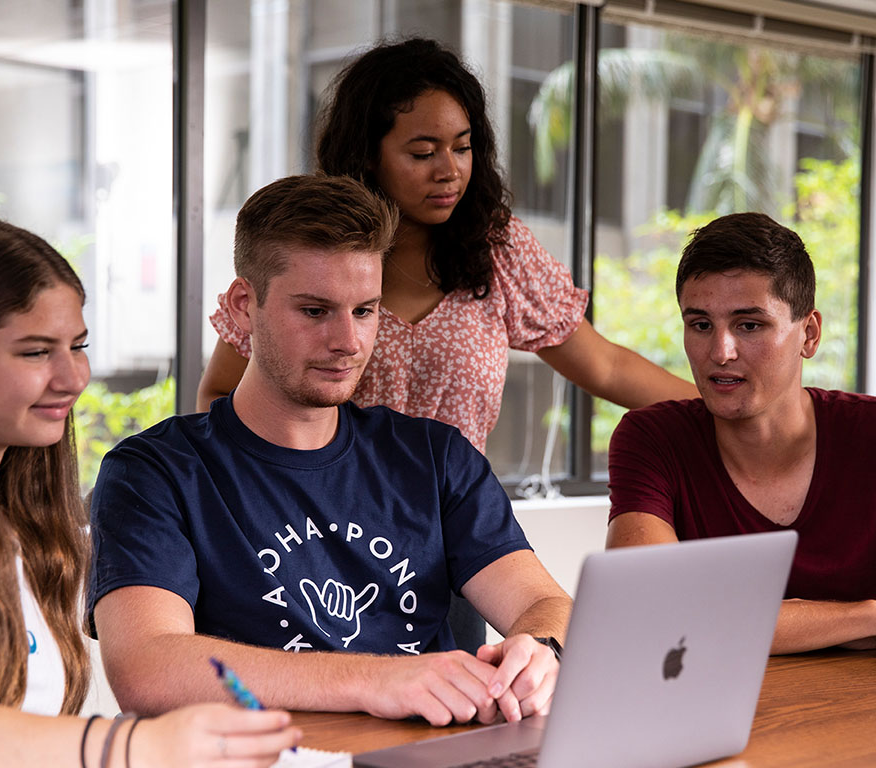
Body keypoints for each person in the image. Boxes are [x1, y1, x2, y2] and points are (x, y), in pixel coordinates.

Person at [88, 174, 573, 729]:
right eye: (316, 311)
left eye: (365, 311)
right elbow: (147, 669)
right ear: (245, 306)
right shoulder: (154, 473)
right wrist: (380, 679)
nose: (348, 341)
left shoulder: (436, 457)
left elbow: (545, 605)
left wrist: (540, 652)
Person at [0, 216, 299, 767]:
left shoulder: (17, 505)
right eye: (36, 352)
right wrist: (134, 746)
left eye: (78, 346)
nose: (73, 378)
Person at [197, 37, 698, 451]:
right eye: (422, 153)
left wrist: (720, 411)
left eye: (462, 147)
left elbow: (606, 367)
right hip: (327, 532)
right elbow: (220, 390)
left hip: (455, 533)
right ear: (368, 155)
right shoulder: (317, 247)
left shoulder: (498, 248)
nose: (449, 171)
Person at [606, 212, 876, 654]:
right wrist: (866, 617)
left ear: (809, 334)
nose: (720, 352)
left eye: (749, 325)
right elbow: (645, 606)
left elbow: (682, 618)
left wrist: (713, 618)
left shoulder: (869, 433)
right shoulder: (652, 437)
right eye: (700, 325)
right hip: (710, 715)